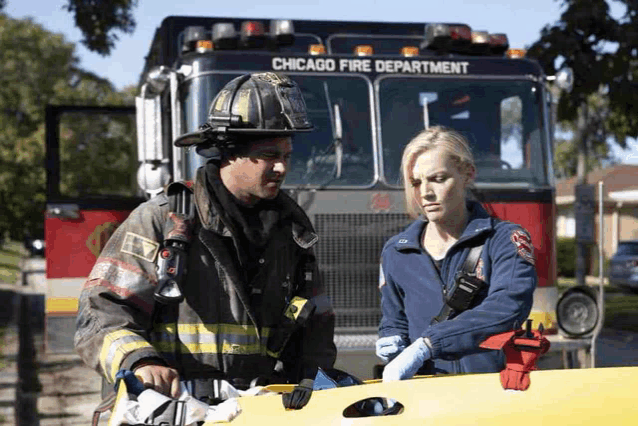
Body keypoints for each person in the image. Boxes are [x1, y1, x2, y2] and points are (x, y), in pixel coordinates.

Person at [74, 72, 336, 409]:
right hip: (171, 407)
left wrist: (311, 386)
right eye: (270, 155)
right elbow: (99, 312)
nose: (282, 168)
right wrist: (140, 362)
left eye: (286, 156)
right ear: (230, 152)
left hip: (256, 411)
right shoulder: (162, 220)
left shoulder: (292, 233)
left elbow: (315, 328)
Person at [376, 126, 536, 381]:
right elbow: (394, 319)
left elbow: (508, 307)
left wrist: (428, 345)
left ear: (467, 174)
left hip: (492, 390)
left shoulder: (504, 240)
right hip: (424, 397)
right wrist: (390, 338)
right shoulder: (396, 251)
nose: (425, 193)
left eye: (438, 179)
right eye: (416, 182)